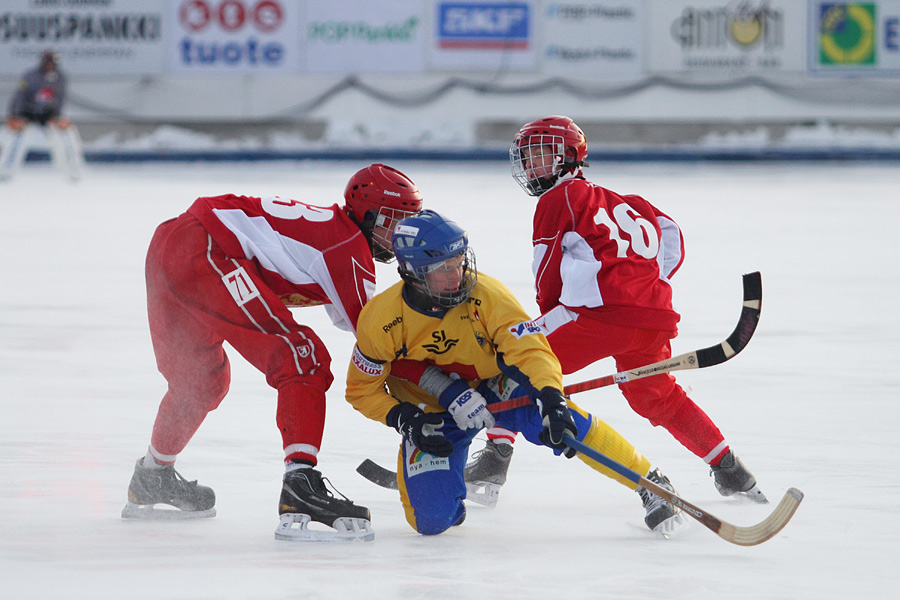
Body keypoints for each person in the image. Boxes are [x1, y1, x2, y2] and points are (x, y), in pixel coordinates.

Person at [467, 115, 766, 506]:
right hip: (652, 319)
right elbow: (671, 236)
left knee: (512, 359)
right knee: (656, 396)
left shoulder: (557, 199)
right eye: (527, 156)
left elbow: (547, 274)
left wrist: (545, 327)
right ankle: (730, 470)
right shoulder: (632, 203)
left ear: (569, 157)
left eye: (541, 155)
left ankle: (494, 459)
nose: (530, 165)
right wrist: (642, 285)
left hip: (595, 317)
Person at [121, 164, 423, 542]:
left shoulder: (337, 235)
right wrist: (434, 397)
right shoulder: (349, 247)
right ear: (368, 214)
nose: (400, 236)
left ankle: (152, 475)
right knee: (304, 359)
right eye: (393, 222)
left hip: (173, 241)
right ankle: (301, 485)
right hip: (207, 247)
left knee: (199, 382)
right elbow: (379, 341)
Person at [345, 209, 686, 537]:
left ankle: (649, 481)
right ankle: (443, 486)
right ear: (413, 273)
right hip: (432, 414)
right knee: (431, 521)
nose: (458, 274)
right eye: (443, 269)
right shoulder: (381, 319)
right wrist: (405, 418)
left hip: (494, 386)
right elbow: (361, 390)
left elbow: (531, 350)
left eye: (459, 262)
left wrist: (551, 398)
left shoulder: (487, 296)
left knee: (564, 424)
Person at [0, 50, 84, 181]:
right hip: (27, 112)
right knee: (15, 139)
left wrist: (57, 116)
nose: (49, 66)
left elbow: (61, 98)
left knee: (66, 135)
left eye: (52, 63)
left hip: (48, 114)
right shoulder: (30, 76)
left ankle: (72, 170)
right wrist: (15, 115)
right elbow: (19, 96)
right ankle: (6, 170)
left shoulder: (60, 77)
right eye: (47, 63)